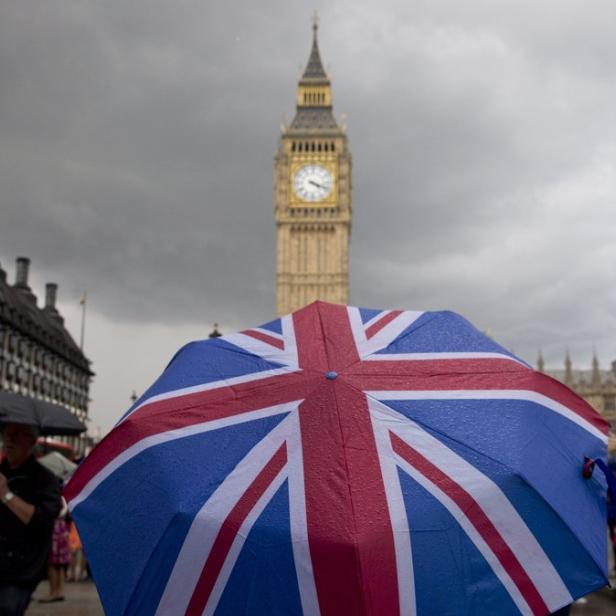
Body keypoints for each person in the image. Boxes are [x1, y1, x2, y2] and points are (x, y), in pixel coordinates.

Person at [0, 423, 62, 616]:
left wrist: (6, 495)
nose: (9, 439)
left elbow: (43, 520)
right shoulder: (2, 472)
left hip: (19, 571)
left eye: (17, 435)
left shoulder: (45, 479)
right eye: (7, 433)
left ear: (32, 441)